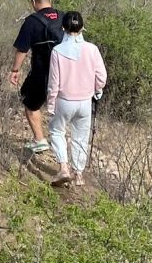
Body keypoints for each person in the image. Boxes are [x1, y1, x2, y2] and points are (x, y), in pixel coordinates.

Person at [45, 10, 107, 187]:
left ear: (63, 27)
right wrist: (98, 89)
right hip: (85, 101)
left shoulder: (57, 51)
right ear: (82, 28)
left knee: (57, 131)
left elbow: (54, 82)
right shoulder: (92, 49)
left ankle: (63, 167)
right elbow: (101, 76)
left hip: (64, 100)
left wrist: (51, 103)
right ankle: (78, 174)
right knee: (81, 137)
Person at [9, 0, 64, 153]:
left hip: (42, 73)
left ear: (33, 2)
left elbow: (22, 49)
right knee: (63, 109)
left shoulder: (31, 22)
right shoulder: (64, 17)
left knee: (30, 103)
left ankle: (40, 140)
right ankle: (61, 143)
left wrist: (15, 70)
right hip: (67, 73)